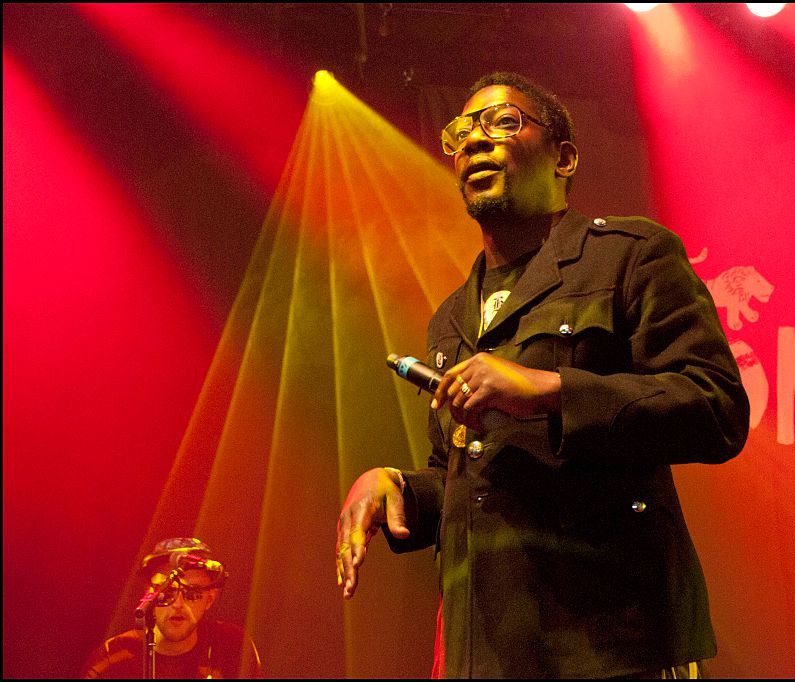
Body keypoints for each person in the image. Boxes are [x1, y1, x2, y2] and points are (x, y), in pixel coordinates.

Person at [335, 71, 750, 678]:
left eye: (502, 122)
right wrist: (398, 487)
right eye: (461, 133)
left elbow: (716, 408)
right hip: (491, 649)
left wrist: (552, 391)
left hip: (611, 646)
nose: (475, 141)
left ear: (564, 158)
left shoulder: (630, 256)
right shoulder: (451, 317)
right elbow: (467, 476)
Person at [81, 537, 262, 679]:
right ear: (149, 594)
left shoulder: (231, 648)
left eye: (192, 593)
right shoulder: (111, 660)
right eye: (168, 591)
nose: (178, 604)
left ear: (209, 599)